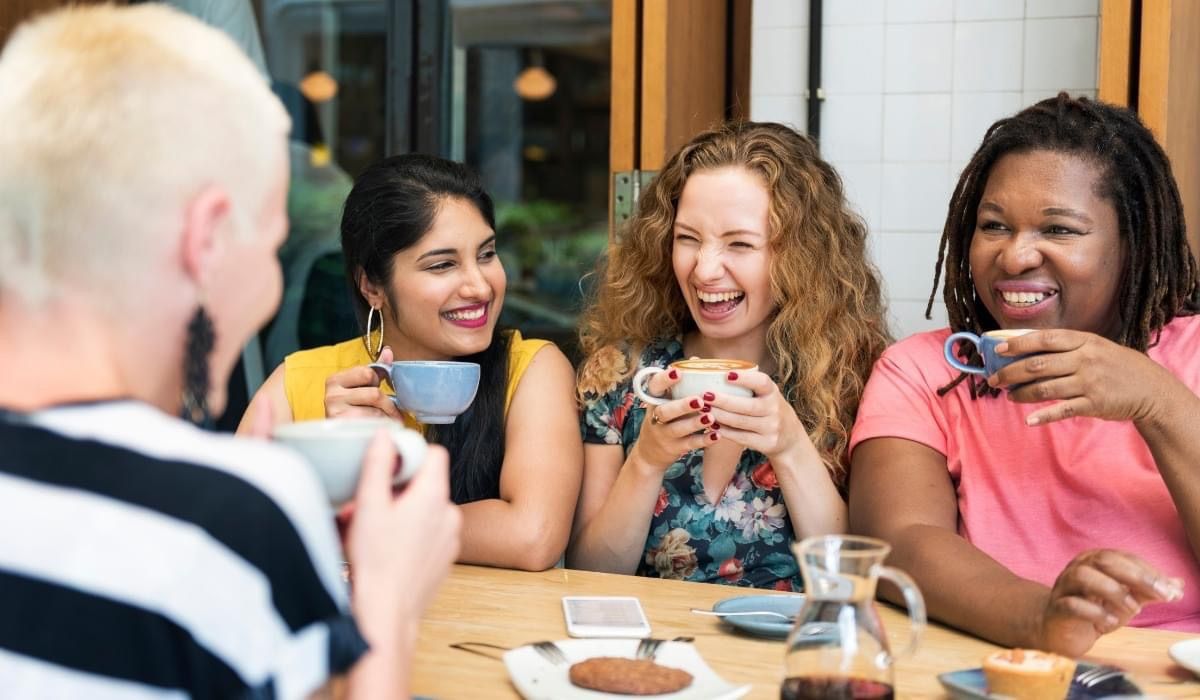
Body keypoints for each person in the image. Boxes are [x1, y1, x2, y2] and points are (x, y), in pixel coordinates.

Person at [0, 5, 460, 697]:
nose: (271, 284)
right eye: (271, 240)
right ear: (207, 238)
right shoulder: (229, 518)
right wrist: (389, 605)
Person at [849, 94, 1200, 656]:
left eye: (1059, 230)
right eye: (994, 226)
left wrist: (1157, 401)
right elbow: (899, 541)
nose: (1015, 257)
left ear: (1132, 244)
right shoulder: (923, 371)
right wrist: (1043, 617)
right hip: (988, 664)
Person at [570, 121, 890, 589]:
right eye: (687, 238)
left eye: (739, 244)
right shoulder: (620, 373)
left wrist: (790, 447)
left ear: (801, 256)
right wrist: (646, 462)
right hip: (658, 651)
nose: (704, 269)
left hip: (787, 655)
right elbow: (589, 574)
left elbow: (852, 585)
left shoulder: (858, 379)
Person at [241, 154, 582, 572]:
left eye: (487, 254)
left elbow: (532, 535)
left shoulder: (531, 370)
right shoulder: (301, 384)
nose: (479, 285)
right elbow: (236, 530)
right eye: (442, 265)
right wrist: (337, 459)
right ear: (372, 286)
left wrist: (363, 524)